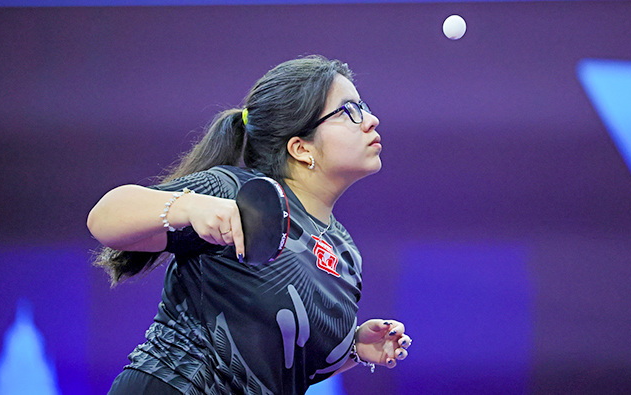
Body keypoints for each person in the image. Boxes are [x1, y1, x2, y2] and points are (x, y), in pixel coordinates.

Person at [87, 55, 411, 395]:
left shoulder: (345, 253)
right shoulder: (241, 195)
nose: (371, 120)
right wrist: (188, 206)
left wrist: (353, 347)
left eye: (363, 107)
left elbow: (280, 363)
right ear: (301, 148)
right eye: (349, 111)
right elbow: (104, 218)